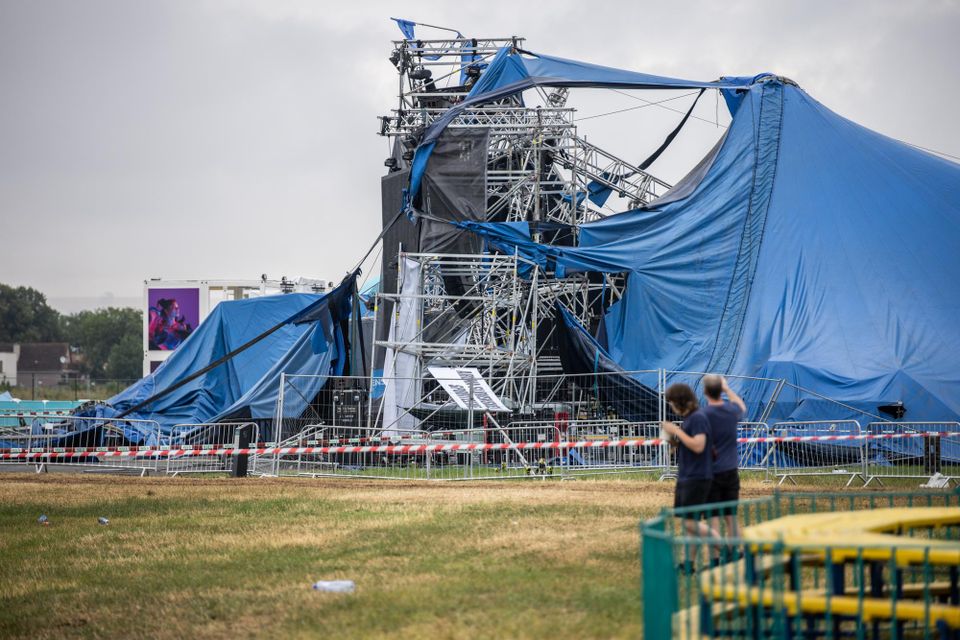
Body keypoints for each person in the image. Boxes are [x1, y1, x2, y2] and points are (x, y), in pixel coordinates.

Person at [661, 383, 717, 571]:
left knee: (690, 523)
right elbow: (688, 445)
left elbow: (698, 445)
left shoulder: (698, 418)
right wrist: (672, 439)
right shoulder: (689, 420)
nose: (671, 406)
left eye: (671, 402)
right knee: (691, 524)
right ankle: (689, 563)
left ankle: (728, 547)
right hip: (688, 475)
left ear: (680, 401)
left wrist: (676, 431)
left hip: (696, 476)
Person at [702, 374, 746, 538]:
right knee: (731, 518)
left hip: (711, 472)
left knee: (712, 519)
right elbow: (741, 406)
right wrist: (727, 389)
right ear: (721, 390)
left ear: (705, 391)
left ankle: (716, 556)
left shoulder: (703, 415)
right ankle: (735, 553)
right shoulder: (731, 411)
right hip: (730, 470)